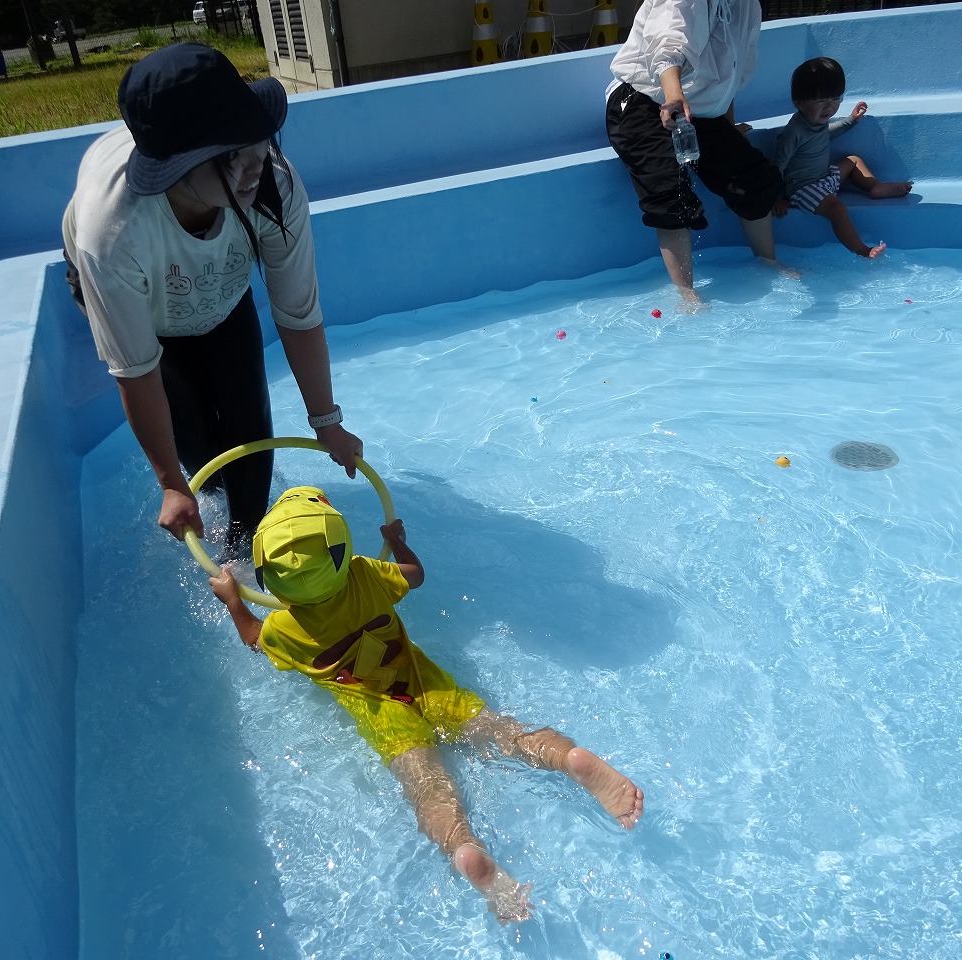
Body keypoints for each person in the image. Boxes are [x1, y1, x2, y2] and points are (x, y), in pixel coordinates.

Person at [209, 486, 645, 924]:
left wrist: (233, 600)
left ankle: (464, 847)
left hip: (385, 719)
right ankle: (565, 758)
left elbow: (252, 639)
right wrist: (397, 542)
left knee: (428, 788)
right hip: (429, 688)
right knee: (501, 731)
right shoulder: (363, 574)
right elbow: (415, 575)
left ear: (269, 577)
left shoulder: (283, 629)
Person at [62, 43, 362, 558]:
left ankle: (245, 550)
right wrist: (171, 484)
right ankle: (215, 502)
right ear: (173, 169)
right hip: (142, 301)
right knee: (198, 446)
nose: (253, 165)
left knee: (249, 426)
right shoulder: (113, 233)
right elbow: (137, 371)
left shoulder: (274, 184)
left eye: (255, 140)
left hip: (219, 290)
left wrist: (326, 421)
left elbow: (298, 314)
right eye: (228, 155)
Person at [605, 0, 789, 308]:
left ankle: (768, 264)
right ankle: (686, 295)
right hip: (643, 99)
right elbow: (667, 45)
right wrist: (673, 95)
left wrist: (728, 130)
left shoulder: (747, 7)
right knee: (669, 188)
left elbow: (729, 77)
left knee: (756, 180)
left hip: (697, 110)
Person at [773, 57, 914, 259]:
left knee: (853, 160)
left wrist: (851, 120)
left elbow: (827, 134)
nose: (829, 107)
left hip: (824, 177)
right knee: (837, 208)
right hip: (803, 189)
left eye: (835, 99)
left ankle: (875, 186)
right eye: (821, 101)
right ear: (798, 102)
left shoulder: (816, 120)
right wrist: (778, 198)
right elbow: (777, 166)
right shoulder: (793, 133)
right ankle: (862, 250)